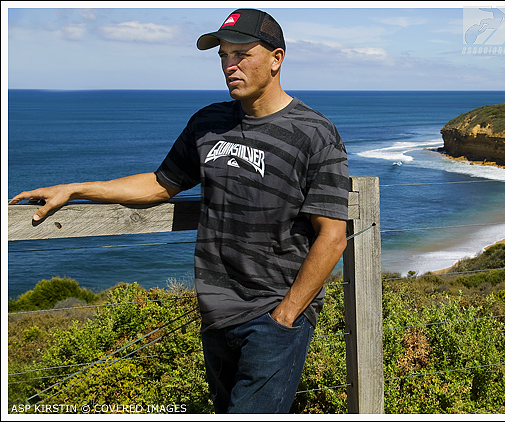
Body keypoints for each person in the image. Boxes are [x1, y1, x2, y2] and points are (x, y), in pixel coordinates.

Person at [9, 8, 350, 414]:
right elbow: (161, 183)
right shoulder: (208, 123)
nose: (230, 65)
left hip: (274, 314)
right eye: (223, 55)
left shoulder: (314, 133)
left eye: (242, 53)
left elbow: (332, 235)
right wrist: (75, 189)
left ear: (276, 58)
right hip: (217, 310)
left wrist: (286, 316)